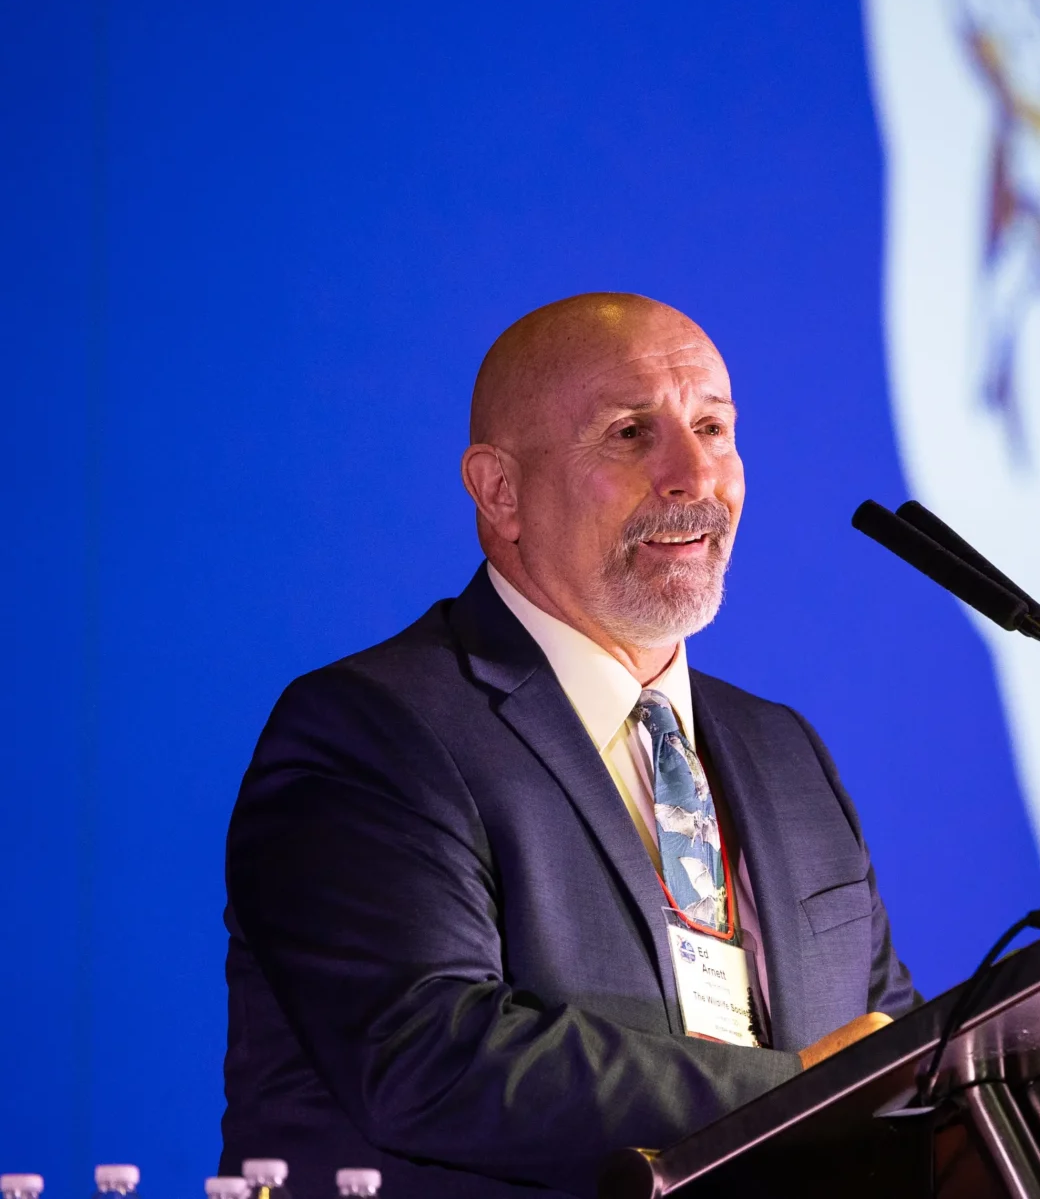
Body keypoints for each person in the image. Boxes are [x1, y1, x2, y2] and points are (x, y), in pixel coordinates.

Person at [220, 293, 917, 1195]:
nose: (693, 476)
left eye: (713, 426)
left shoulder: (786, 754)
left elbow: (892, 1049)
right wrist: (796, 1096)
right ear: (500, 489)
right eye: (630, 434)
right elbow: (429, 1054)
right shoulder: (370, 731)